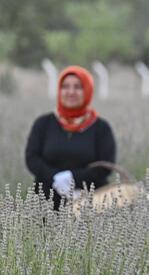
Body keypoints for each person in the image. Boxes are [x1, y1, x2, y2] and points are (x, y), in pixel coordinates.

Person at [25, 65, 116, 210]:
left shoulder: (101, 127)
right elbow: (32, 158)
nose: (71, 92)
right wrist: (55, 178)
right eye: (65, 87)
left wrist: (72, 178)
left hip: (91, 204)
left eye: (78, 87)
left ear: (87, 90)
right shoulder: (44, 123)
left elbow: (105, 166)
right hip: (45, 205)